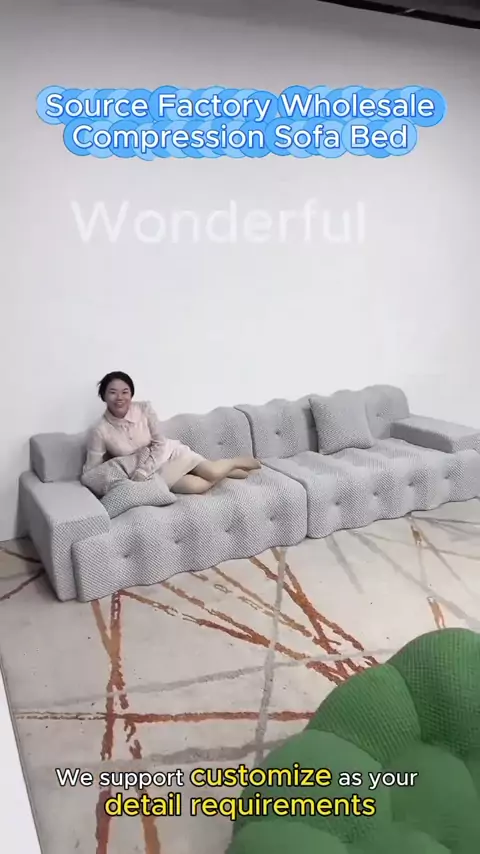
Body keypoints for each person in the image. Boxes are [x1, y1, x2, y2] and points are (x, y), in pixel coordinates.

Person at [83, 371, 260, 494]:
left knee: (212, 472)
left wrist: (143, 471)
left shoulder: (145, 409)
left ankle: (233, 462)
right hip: (154, 474)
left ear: (131, 394)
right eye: (113, 392)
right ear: (104, 396)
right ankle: (226, 473)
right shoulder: (100, 430)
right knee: (195, 487)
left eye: (125, 392)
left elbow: (160, 443)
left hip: (167, 454)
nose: (119, 397)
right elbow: (93, 470)